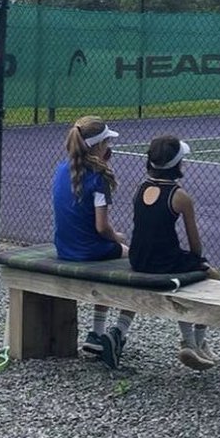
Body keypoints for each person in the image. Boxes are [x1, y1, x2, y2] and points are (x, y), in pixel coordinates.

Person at [130, 135, 219, 371]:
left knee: (187, 274)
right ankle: (194, 342)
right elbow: (195, 246)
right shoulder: (180, 197)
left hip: (138, 259)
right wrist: (198, 261)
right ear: (177, 165)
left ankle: (195, 344)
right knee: (211, 278)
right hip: (163, 262)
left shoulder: (139, 189)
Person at [52, 115, 135, 369]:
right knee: (134, 261)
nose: (110, 147)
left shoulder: (61, 169)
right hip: (88, 250)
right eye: (107, 142)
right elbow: (102, 227)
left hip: (64, 248)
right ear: (99, 146)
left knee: (112, 261)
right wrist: (118, 238)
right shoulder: (98, 177)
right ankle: (117, 331)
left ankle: (96, 334)